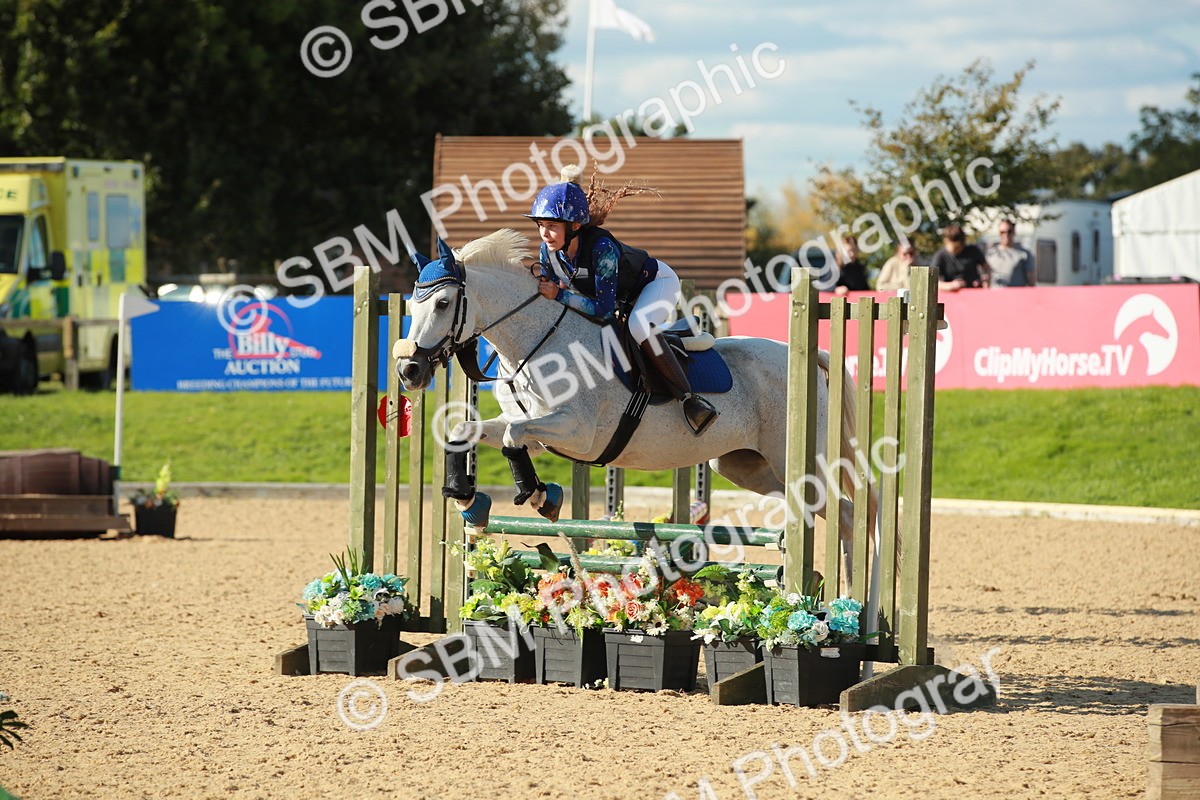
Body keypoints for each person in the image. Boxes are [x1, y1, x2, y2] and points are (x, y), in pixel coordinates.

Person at [525, 165, 719, 436]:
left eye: (552, 226)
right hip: (620, 298)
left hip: (655, 283)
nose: (545, 234)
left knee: (638, 326)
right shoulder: (548, 252)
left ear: (574, 226)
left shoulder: (601, 249)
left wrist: (559, 294)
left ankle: (690, 400)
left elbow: (603, 310)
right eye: (542, 225)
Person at [930, 224, 990, 291]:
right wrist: (950, 286)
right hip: (951, 296)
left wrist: (985, 281)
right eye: (955, 247)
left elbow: (987, 268)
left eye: (960, 246)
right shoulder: (940, 256)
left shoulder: (973, 251)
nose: (958, 249)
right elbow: (933, 283)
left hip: (973, 292)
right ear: (946, 241)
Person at [986, 219, 1037, 287]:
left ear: (1014, 232)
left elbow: (1031, 280)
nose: (1006, 235)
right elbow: (986, 278)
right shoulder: (991, 254)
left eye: (1009, 231)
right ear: (999, 233)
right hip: (995, 296)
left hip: (1016, 295)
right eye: (1002, 232)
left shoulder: (1024, 254)